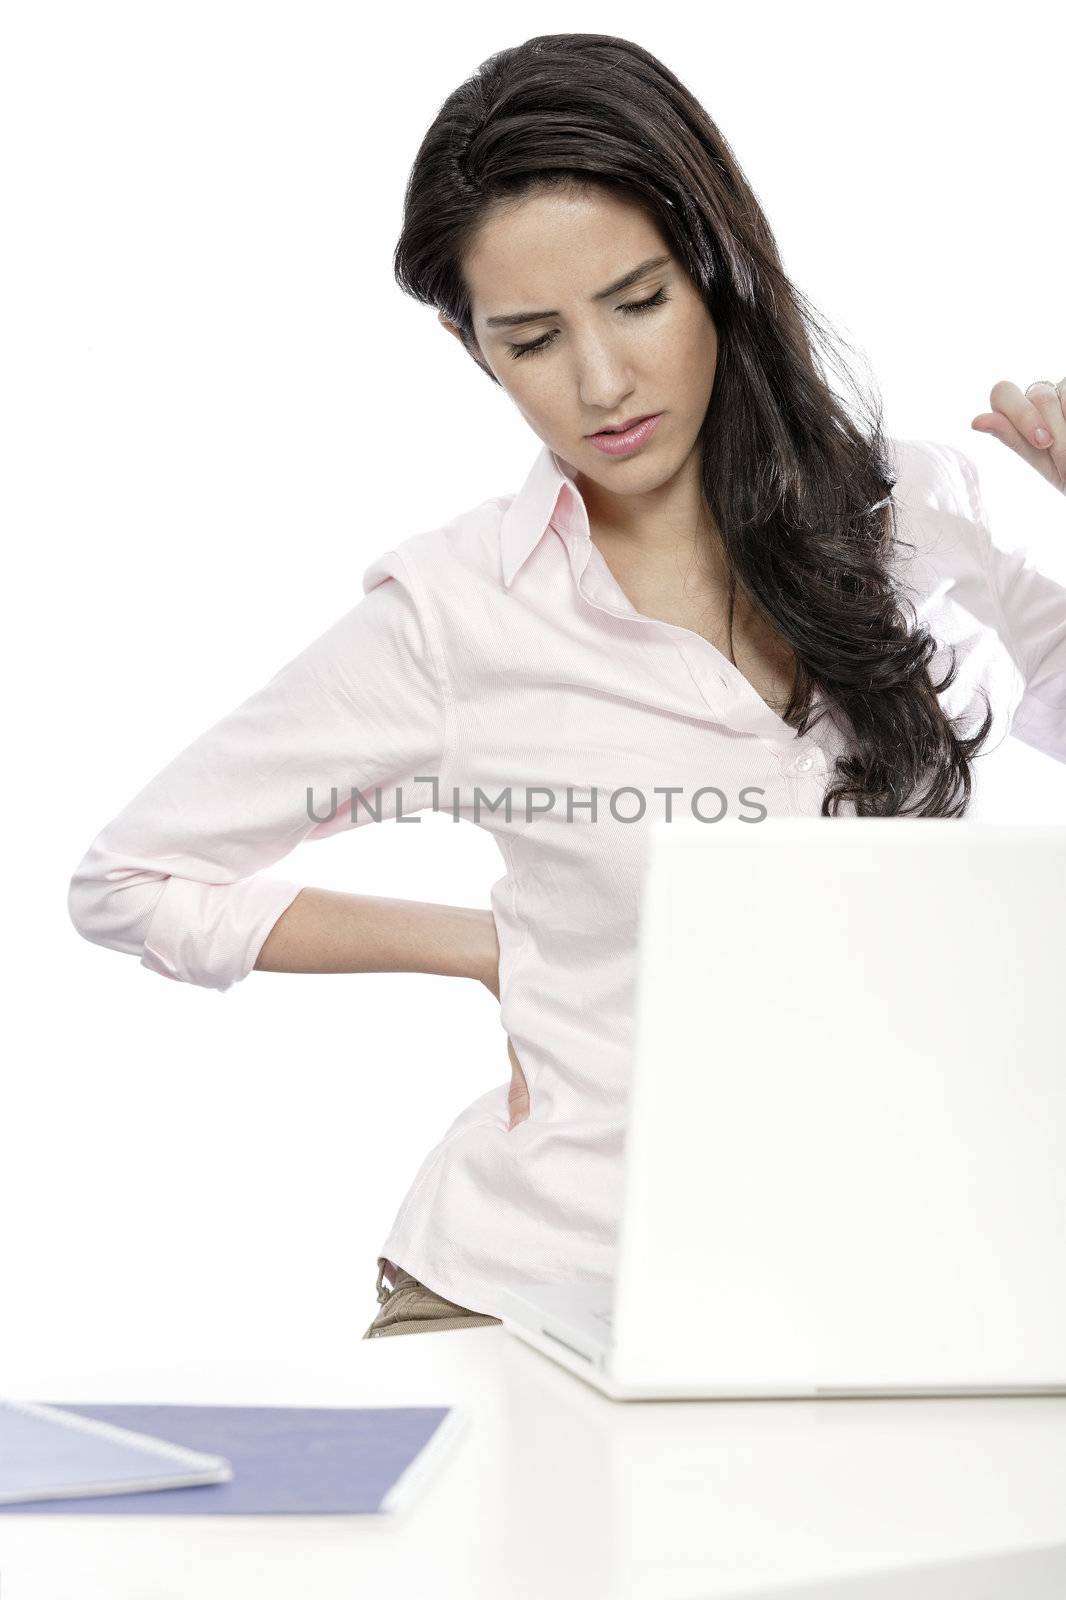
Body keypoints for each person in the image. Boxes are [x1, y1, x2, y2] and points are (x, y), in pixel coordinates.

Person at [67, 33, 1066, 1341]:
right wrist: (480, 947)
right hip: (533, 1302)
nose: (599, 385)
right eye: (529, 338)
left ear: (717, 266)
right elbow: (130, 881)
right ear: (467, 343)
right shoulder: (454, 617)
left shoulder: (926, 512)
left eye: (637, 301)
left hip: (888, 1286)